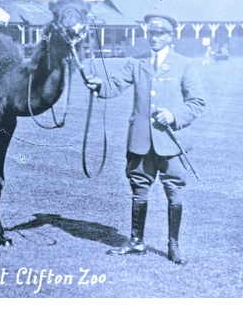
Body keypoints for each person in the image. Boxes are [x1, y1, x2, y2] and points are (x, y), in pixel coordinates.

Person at [85, 14, 205, 264]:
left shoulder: (183, 64)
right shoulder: (135, 62)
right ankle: (136, 241)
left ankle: (173, 245)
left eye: (161, 34)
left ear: (170, 37)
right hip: (140, 140)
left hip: (171, 142)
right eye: (152, 33)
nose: (155, 38)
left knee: (174, 191)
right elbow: (114, 85)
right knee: (139, 189)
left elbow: (196, 103)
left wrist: (173, 114)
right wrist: (98, 85)